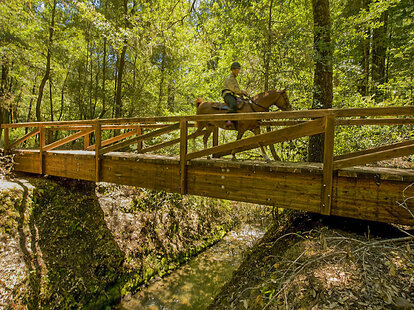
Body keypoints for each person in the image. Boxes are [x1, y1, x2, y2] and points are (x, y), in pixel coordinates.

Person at [222, 62, 248, 127]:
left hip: (232, 95)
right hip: (227, 94)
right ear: (232, 70)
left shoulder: (234, 78)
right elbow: (234, 89)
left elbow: (236, 90)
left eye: (238, 70)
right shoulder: (229, 78)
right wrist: (242, 92)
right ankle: (228, 120)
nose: (237, 72)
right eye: (236, 70)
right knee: (233, 104)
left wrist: (242, 95)